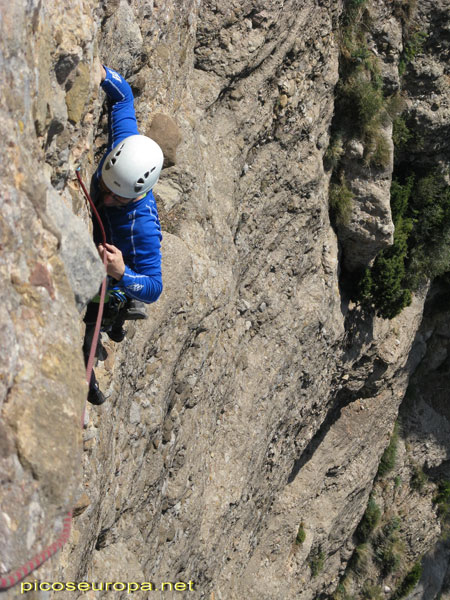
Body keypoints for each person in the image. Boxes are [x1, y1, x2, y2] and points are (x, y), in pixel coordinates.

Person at [84, 64, 164, 405]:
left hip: (117, 269)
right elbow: (122, 96)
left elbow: (154, 287)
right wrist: (100, 69)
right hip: (114, 252)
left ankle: (86, 378)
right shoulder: (125, 148)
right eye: (105, 184)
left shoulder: (142, 226)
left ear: (134, 195)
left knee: (93, 313)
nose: (105, 195)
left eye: (115, 196)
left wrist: (122, 273)